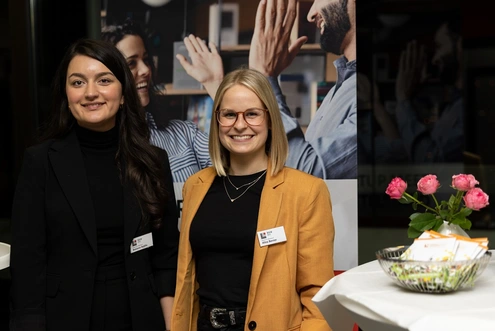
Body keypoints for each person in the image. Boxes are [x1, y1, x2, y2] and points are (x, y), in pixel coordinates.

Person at [9, 39, 179, 331]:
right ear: (66, 94)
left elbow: (166, 260)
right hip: (64, 319)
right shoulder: (40, 163)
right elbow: (27, 264)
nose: (90, 93)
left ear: (124, 94)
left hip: (140, 317)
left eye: (103, 80)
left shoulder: (154, 161)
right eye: (77, 82)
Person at [171, 68, 334, 331]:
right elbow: (188, 280)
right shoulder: (195, 186)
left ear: (270, 119)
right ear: (217, 120)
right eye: (229, 114)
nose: (239, 124)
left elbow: (317, 294)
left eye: (252, 114)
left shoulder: (305, 191)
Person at [178, 0, 356, 179]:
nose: (311, 13)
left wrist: (263, 75)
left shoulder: (361, 92)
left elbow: (305, 175)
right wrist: (217, 86)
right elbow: (278, 157)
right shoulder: (342, 87)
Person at [102, 19, 211, 183]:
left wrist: (214, 83)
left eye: (146, 60)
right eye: (131, 63)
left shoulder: (184, 133)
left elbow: (234, 164)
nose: (146, 70)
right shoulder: (101, 147)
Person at [394, 18, 463, 163]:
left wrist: (403, 99)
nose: (435, 59)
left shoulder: (467, 107)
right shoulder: (455, 104)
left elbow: (429, 163)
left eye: (439, 46)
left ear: (460, 46)